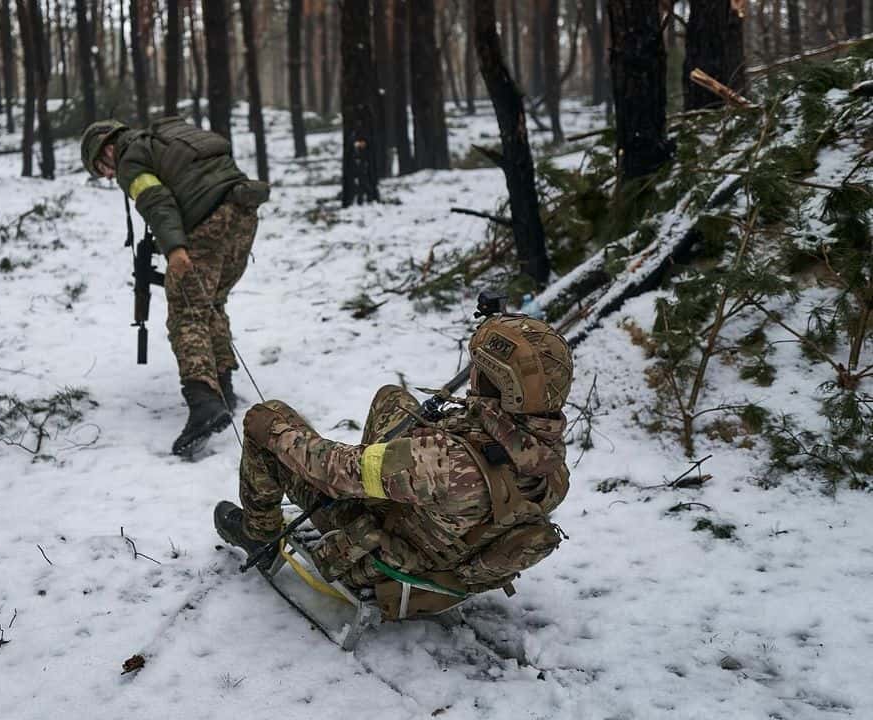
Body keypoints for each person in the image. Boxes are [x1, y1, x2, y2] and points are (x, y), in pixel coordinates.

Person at [214, 314, 574, 620]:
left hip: (378, 555)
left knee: (270, 417)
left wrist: (274, 430)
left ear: (500, 384)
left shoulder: (442, 460)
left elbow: (332, 470)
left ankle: (258, 534)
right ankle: (382, 471)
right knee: (393, 399)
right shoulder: (551, 464)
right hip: (438, 549)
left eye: (480, 370)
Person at [80, 116, 269, 457]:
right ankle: (223, 386)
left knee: (186, 313)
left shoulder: (131, 160)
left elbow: (156, 201)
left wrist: (175, 248)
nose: (109, 176)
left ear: (109, 148)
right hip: (244, 211)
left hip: (207, 223)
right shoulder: (164, 139)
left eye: (102, 168)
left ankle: (204, 404)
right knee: (211, 302)